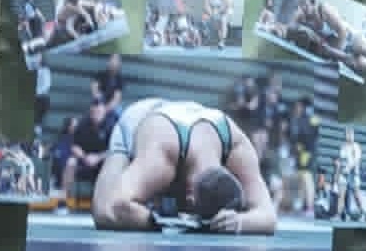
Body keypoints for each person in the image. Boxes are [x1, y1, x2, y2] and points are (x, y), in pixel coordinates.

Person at [91, 97, 277, 234]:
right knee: (102, 213)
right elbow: (115, 206)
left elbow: (268, 217)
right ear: (190, 197)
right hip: (142, 120)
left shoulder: (237, 148)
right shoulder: (161, 156)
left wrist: (238, 222)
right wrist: (163, 223)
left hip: (198, 121)